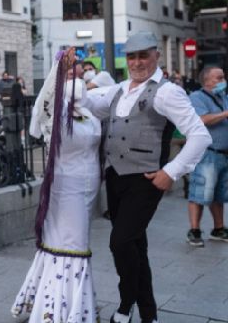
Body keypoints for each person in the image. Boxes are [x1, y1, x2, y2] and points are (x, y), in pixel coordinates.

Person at [85, 32, 211, 323]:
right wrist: (66, 82)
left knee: (120, 243)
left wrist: (171, 172)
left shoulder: (168, 92)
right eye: (132, 56)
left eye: (144, 55)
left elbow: (199, 135)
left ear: (156, 55)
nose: (138, 62)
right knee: (134, 247)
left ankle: (126, 304)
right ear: (126, 59)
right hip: (115, 179)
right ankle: (148, 314)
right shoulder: (117, 89)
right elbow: (91, 105)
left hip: (146, 180)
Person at [12, 49, 100, 322]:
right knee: (71, 244)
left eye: (80, 73)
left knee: (74, 243)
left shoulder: (90, 111)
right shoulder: (53, 115)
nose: (78, 78)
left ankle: (64, 306)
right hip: (65, 188)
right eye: (71, 74)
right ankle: (59, 310)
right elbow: (43, 103)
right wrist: (59, 69)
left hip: (88, 189)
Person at [185, 66, 228, 247]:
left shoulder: (223, 97)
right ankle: (194, 230)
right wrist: (226, 114)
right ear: (207, 81)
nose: (223, 80)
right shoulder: (197, 97)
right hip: (207, 153)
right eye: (219, 78)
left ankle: (218, 228)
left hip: (223, 154)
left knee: (218, 194)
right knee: (200, 192)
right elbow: (202, 119)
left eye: (223, 77)